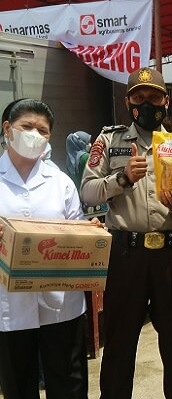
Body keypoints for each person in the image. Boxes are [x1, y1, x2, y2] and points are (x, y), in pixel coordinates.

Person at [80, 67, 172, 399]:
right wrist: (121, 179)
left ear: (166, 101)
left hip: (171, 255)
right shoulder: (110, 140)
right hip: (126, 255)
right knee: (120, 341)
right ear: (128, 102)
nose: (147, 104)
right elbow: (88, 192)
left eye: (154, 97)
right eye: (139, 98)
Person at [0, 98, 88, 399]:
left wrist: (90, 233)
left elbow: (78, 226)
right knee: (18, 383)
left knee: (68, 382)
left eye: (43, 130)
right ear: (7, 129)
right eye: (27, 127)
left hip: (61, 301)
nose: (34, 135)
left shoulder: (61, 182)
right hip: (9, 303)